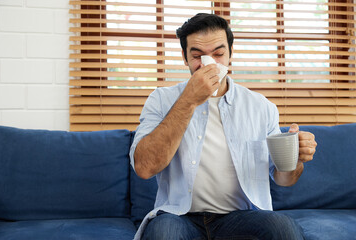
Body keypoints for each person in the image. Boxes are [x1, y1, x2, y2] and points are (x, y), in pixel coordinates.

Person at [129, 13, 317, 240]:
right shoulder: (161, 100)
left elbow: (284, 179)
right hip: (179, 217)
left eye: (218, 54)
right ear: (185, 58)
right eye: (198, 56)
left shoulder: (260, 107)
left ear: (230, 54)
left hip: (241, 217)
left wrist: (294, 159)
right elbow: (144, 167)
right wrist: (189, 100)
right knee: (163, 232)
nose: (209, 64)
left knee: (282, 229)